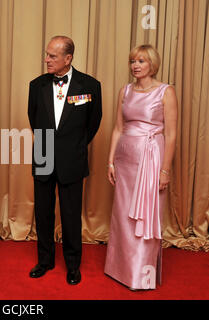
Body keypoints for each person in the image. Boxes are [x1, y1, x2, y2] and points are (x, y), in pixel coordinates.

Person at [27, 36, 102, 285]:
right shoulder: (36, 85)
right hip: (44, 154)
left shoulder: (90, 85)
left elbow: (93, 123)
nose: (46, 59)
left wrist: (75, 146)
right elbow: (34, 119)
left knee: (71, 215)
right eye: (47, 54)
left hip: (73, 158)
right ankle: (45, 261)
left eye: (52, 56)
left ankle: (73, 265)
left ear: (68, 58)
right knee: (43, 213)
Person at [104, 44, 178, 290]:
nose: (135, 65)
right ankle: (119, 268)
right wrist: (110, 160)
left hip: (151, 159)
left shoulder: (166, 92)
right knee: (123, 214)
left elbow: (172, 134)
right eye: (133, 61)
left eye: (141, 61)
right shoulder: (124, 91)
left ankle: (141, 275)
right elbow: (117, 128)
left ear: (152, 64)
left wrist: (165, 170)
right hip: (125, 159)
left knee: (147, 213)